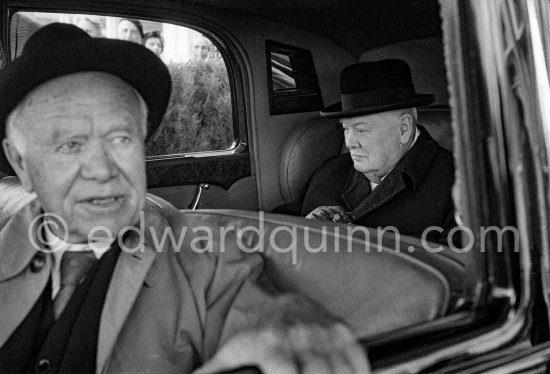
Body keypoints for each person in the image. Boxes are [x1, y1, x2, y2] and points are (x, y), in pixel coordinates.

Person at [0, 23, 369, 373]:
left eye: (120, 139)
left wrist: (286, 326)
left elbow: (256, 309)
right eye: (70, 145)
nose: (102, 169)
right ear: (21, 164)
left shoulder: (202, 256)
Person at [302, 59, 455, 242]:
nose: (350, 143)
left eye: (361, 130)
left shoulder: (459, 184)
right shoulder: (330, 171)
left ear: (403, 128)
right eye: (346, 129)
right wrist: (305, 230)